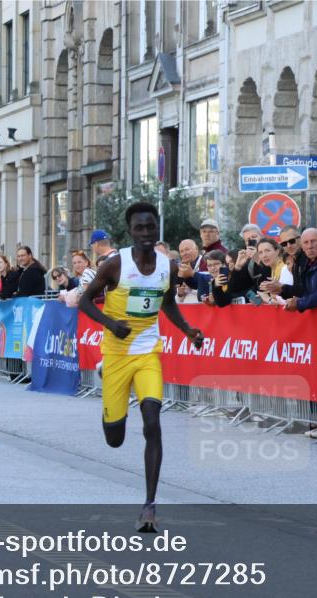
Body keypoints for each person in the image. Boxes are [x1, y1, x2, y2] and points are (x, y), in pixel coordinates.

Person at [78, 202, 204, 532]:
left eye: (150, 227)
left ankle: (149, 506)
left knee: (152, 422)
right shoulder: (115, 265)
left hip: (148, 352)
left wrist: (188, 330)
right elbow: (84, 301)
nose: (145, 233)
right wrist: (110, 324)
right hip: (117, 354)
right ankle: (108, 389)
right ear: (130, 231)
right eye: (139, 228)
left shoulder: (168, 266)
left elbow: (167, 303)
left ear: (156, 228)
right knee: (114, 438)